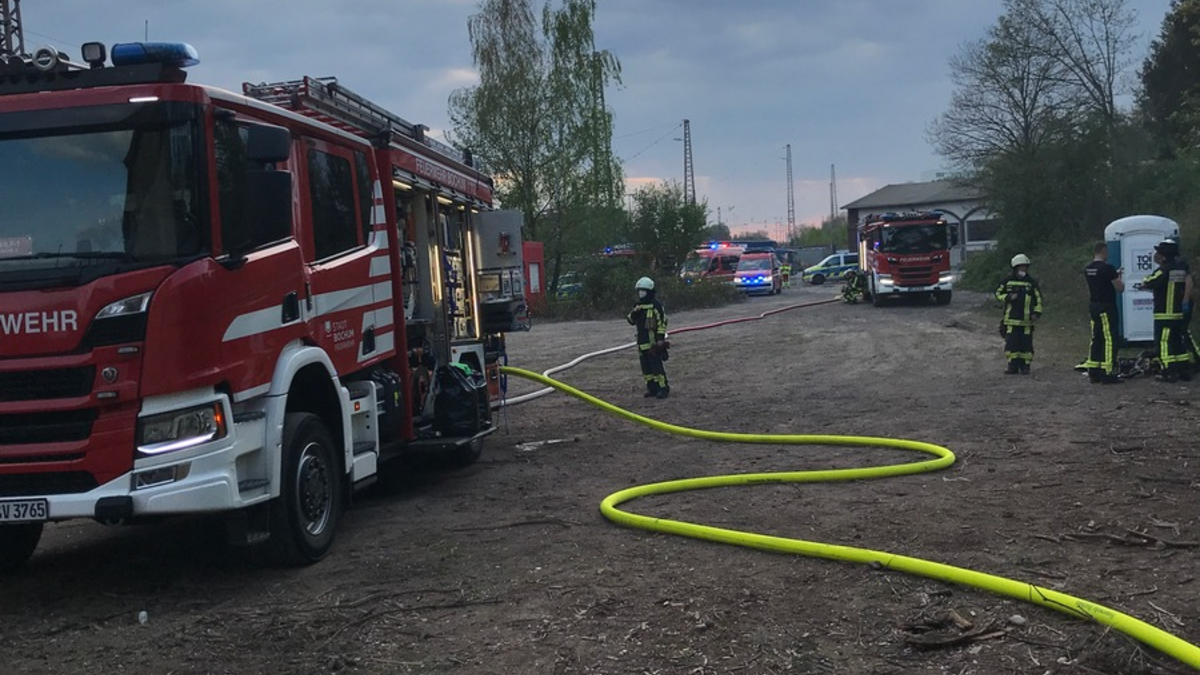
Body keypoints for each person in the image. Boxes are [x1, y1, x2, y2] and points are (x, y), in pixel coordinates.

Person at [1140, 238, 1193, 382]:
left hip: (1164, 313)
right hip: (1178, 312)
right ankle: (1183, 369)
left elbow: (1148, 281)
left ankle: (1168, 371)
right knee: (1177, 342)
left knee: (1163, 342)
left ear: (1163, 255)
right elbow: (1188, 282)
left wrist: (1144, 283)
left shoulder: (1164, 270)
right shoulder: (1181, 268)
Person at [1080, 242, 1124, 384]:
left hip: (1093, 306)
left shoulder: (1088, 269)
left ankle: (1094, 371)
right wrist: (1119, 276)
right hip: (1107, 306)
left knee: (1096, 337)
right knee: (1110, 338)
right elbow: (1120, 288)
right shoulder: (1108, 268)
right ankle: (1108, 372)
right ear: (1103, 251)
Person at [995, 253, 1043, 374]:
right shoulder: (1008, 281)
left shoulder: (1031, 283)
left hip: (1027, 321)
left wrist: (1036, 313)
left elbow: (1038, 299)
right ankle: (1012, 365)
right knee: (1012, 343)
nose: (1023, 269)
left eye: (1025, 267)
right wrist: (1008, 297)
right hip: (1011, 320)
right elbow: (998, 293)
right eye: (1021, 267)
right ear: (1015, 267)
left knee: (1026, 344)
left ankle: (1025, 366)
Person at [627, 276, 670, 398]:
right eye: (639, 291)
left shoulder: (655, 305)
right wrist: (635, 313)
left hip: (653, 343)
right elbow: (630, 320)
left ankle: (663, 388)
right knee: (646, 368)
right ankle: (651, 388)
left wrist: (660, 339)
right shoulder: (638, 306)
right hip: (642, 342)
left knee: (656, 366)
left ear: (649, 291)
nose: (641, 293)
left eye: (643, 291)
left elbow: (662, 322)